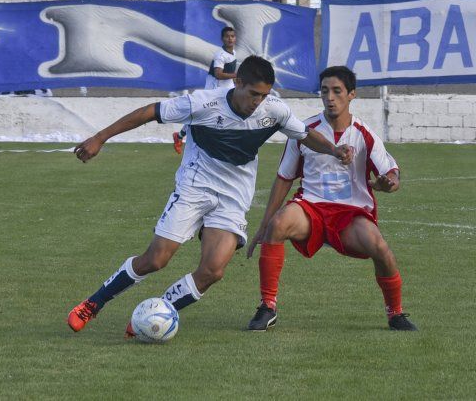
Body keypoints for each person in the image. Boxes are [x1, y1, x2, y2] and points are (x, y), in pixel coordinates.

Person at [67, 56, 353, 337]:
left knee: (213, 270)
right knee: (155, 260)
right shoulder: (202, 103)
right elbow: (149, 112)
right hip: (195, 186)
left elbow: (304, 134)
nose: (258, 102)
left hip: (233, 196)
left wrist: (333, 149)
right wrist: (100, 137)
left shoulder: (274, 111)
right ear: (237, 83)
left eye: (263, 96)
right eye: (253, 94)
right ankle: (93, 304)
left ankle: (157, 313)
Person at [246, 65, 417, 332]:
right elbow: (284, 177)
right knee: (277, 225)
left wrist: (388, 184)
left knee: (381, 249)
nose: (330, 97)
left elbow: (391, 174)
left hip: (350, 215)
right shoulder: (305, 131)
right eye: (325, 91)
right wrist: (263, 225)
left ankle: (395, 314)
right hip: (310, 209)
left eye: (337, 91)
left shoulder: (364, 134)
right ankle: (267, 307)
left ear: (352, 95)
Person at [173, 26, 237, 155]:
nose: (230, 39)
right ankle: (179, 135)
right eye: (227, 36)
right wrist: (236, 75)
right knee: (201, 113)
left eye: (232, 36)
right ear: (222, 39)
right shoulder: (220, 55)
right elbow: (218, 74)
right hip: (214, 88)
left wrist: (236, 81)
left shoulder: (233, 53)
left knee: (234, 109)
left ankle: (228, 140)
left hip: (227, 87)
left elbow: (230, 73)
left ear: (235, 38)